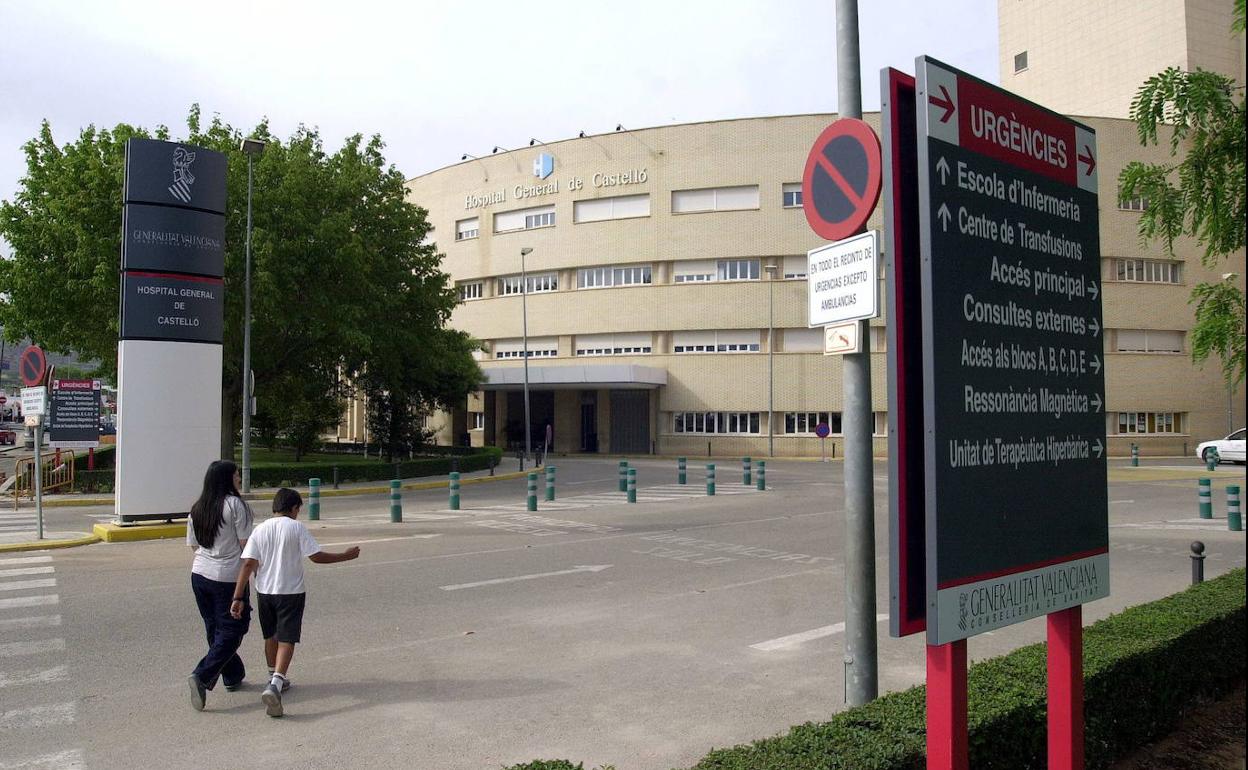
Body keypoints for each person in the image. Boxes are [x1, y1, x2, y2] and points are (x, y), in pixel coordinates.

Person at [230, 487, 360, 717]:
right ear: (294, 508)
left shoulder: (260, 530)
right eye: (298, 508)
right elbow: (316, 557)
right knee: (287, 638)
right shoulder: (296, 527)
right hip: (290, 592)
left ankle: (273, 675)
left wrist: (238, 596)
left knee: (270, 635)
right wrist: (345, 556)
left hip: (264, 591)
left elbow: (248, 564)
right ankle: (276, 684)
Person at [187, 460, 254, 711]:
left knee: (215, 628)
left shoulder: (197, 508)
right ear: (227, 479)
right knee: (233, 629)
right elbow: (247, 546)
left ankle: (232, 675)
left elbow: (194, 546)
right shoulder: (235, 505)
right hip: (227, 578)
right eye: (237, 475)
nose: (239, 478)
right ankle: (202, 676)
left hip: (199, 575)